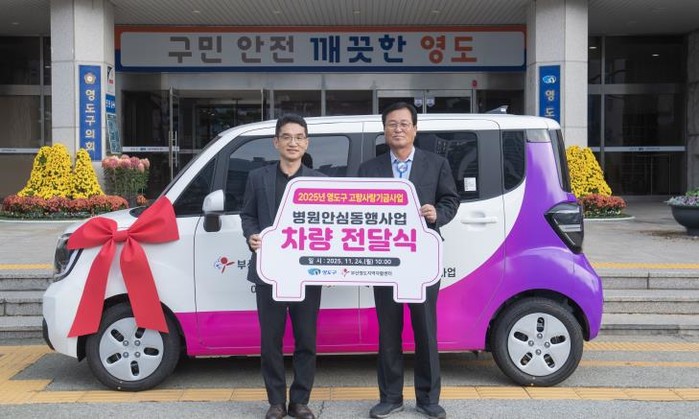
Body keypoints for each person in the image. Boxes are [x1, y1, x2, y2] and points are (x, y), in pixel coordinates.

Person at [358, 102, 460, 419]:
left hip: (422, 260)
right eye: (392, 124)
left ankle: (428, 399)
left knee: (425, 330)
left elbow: (451, 199)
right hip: (385, 261)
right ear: (384, 130)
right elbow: (357, 210)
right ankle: (390, 397)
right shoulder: (369, 169)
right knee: (388, 330)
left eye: (404, 123)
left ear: (415, 129)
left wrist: (437, 213)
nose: (398, 129)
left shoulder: (436, 164)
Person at [241, 114, 324, 419]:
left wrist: (330, 264)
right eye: (287, 137)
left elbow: (329, 227)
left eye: (299, 137)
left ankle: (300, 401)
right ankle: (276, 401)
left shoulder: (319, 182)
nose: (293, 143)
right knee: (271, 341)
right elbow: (248, 215)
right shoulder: (257, 178)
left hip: (306, 274)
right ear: (276, 142)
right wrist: (251, 235)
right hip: (269, 272)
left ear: (307, 143)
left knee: (306, 340)